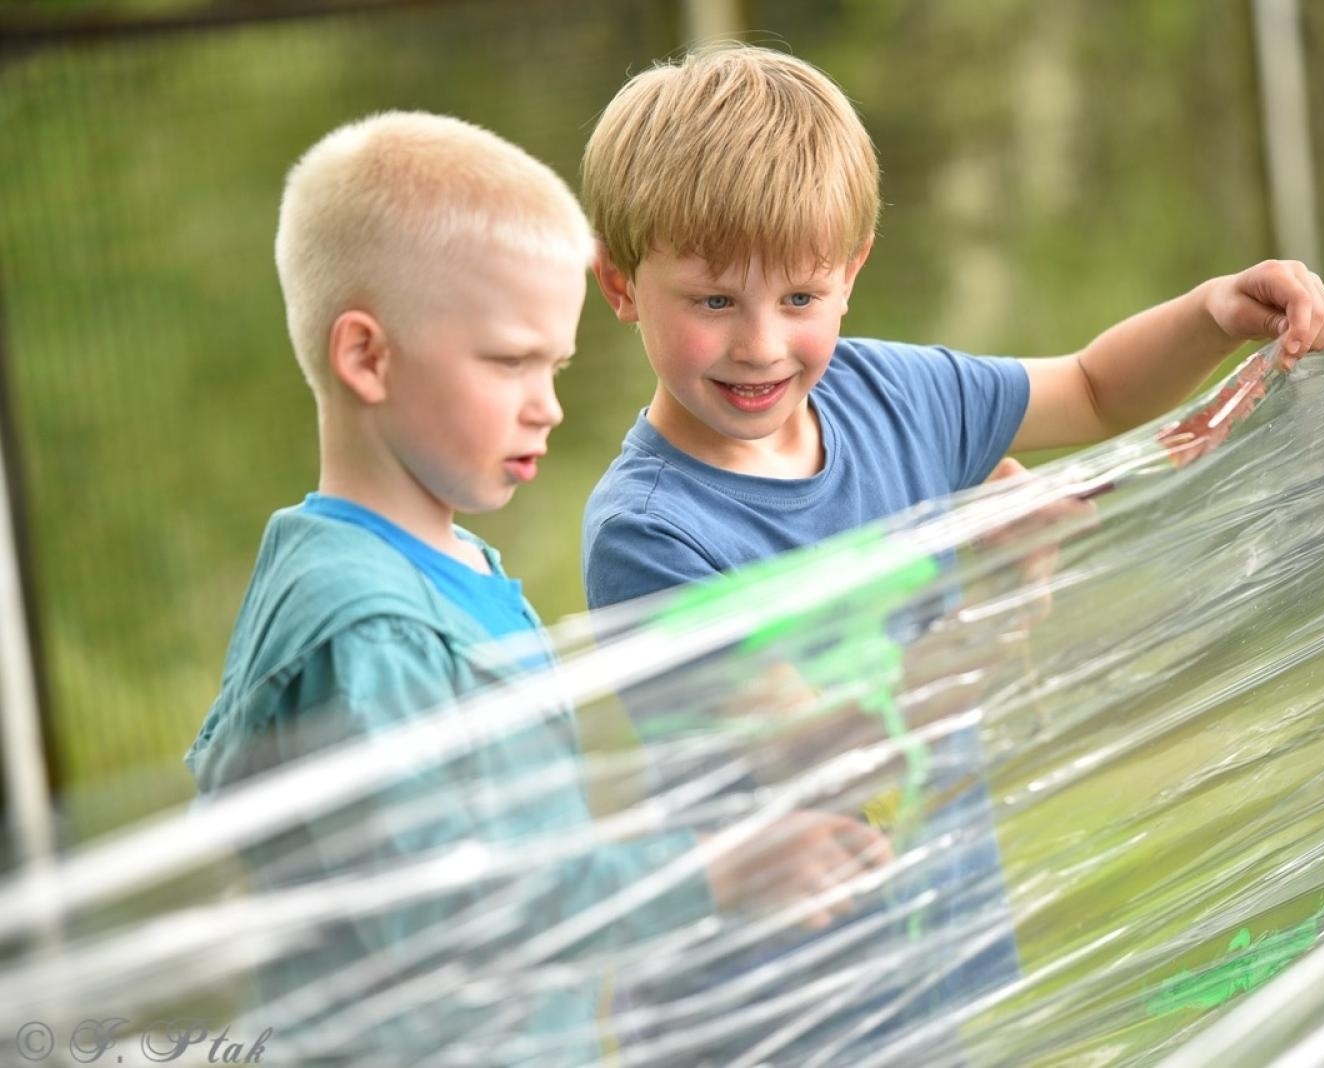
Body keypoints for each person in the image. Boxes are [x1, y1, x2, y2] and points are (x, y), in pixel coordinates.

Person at [578, 45, 1324, 1061]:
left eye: (800, 299)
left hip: (923, 954)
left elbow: (1093, 388)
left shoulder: (895, 398)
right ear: (622, 287)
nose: (761, 344)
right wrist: (988, 602)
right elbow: (805, 748)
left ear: (849, 275)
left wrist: (1210, 315)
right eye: (714, 302)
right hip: (758, 1015)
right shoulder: (651, 533)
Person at [184, 110, 889, 1067]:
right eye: (509, 361)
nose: (547, 404)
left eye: (552, 366)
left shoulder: (441, 567)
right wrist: (720, 871)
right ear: (367, 357)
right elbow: (465, 926)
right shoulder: (373, 632)